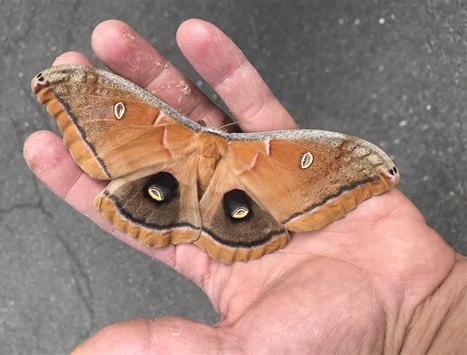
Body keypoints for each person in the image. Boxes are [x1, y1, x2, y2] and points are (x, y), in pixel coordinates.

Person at [23, 19, 466, 354]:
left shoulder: (194, 134)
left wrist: (435, 311)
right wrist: (435, 312)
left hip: (189, 193)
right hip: (197, 192)